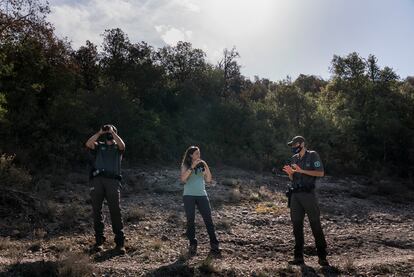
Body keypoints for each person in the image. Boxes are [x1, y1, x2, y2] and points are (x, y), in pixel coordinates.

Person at [282, 136, 329, 266]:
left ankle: (322, 256)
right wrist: (290, 174)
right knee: (296, 226)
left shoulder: (313, 155)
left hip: (308, 195)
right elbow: (294, 178)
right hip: (295, 195)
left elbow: (320, 173)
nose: (293, 147)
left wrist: (301, 170)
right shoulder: (294, 158)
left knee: (315, 225)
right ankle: (298, 257)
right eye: (291, 145)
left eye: (294, 144)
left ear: (302, 144)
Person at [85, 124, 126, 254]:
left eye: (111, 132)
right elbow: (88, 144)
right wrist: (99, 132)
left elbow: (122, 146)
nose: (109, 134)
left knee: (115, 211)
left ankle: (119, 243)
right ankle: (99, 241)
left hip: (113, 181)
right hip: (97, 180)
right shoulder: (99, 146)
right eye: (108, 132)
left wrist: (113, 133)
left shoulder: (117, 148)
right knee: (97, 211)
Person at [180, 146, 221, 256]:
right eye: (197, 154)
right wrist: (192, 167)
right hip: (188, 195)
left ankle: (214, 244)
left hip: (202, 195)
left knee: (208, 219)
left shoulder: (202, 166)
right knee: (190, 220)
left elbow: (208, 180)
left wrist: (206, 165)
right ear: (191, 155)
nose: (199, 156)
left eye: (199, 153)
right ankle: (192, 244)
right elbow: (183, 179)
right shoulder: (185, 165)